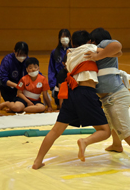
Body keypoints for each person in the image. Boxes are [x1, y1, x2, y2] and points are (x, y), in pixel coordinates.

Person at [32, 30, 113, 169]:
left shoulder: (69, 54)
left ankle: (38, 161)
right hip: (86, 93)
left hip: (72, 94)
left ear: (72, 43)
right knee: (105, 131)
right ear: (89, 41)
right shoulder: (91, 49)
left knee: (55, 131)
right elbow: (115, 48)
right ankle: (85, 142)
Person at [85, 27, 130, 172]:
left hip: (116, 95)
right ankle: (117, 145)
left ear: (95, 40)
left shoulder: (104, 45)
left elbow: (118, 46)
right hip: (110, 97)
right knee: (112, 123)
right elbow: (118, 51)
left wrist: (98, 55)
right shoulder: (101, 51)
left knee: (125, 129)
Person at [48, 29, 72, 109]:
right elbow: (51, 69)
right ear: (59, 38)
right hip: (59, 81)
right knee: (60, 106)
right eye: (62, 36)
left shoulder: (74, 51)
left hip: (71, 80)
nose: (64, 38)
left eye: (66, 36)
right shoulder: (54, 52)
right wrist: (53, 85)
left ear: (70, 38)